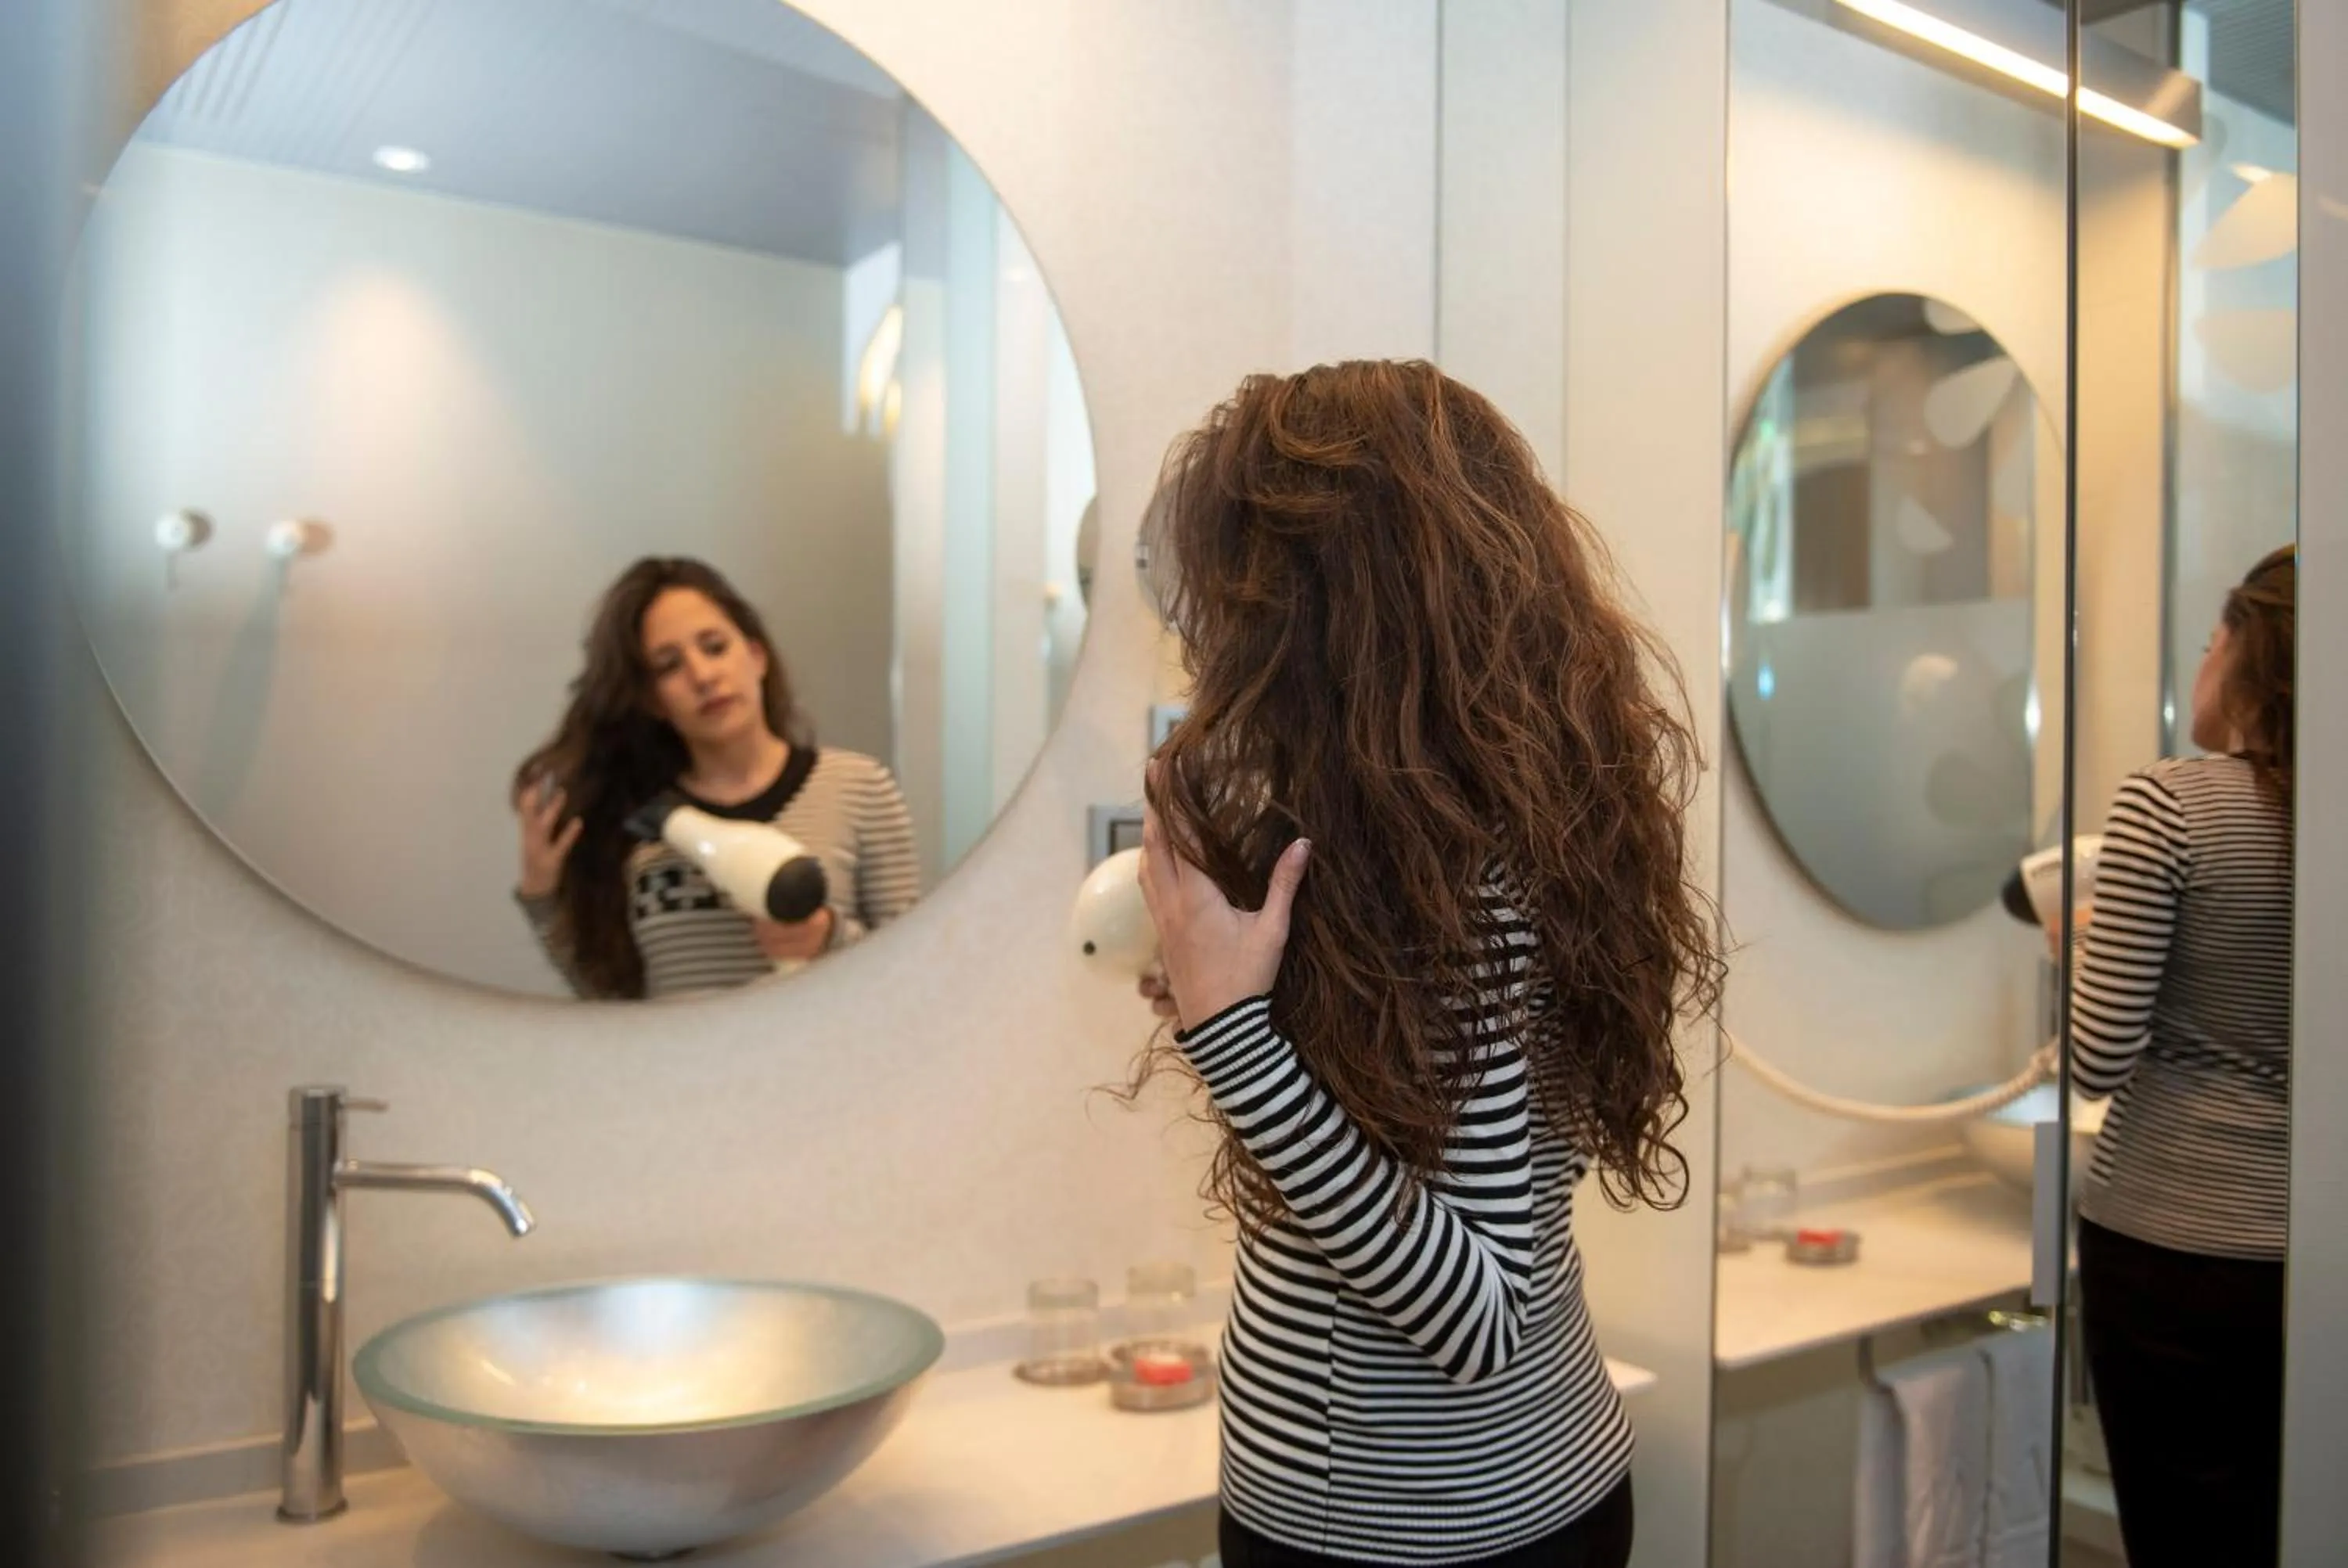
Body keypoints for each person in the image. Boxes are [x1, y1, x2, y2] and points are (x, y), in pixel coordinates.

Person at [1129, 361, 1723, 1568]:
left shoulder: (1455, 879)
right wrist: (1249, 1008)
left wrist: (1236, 1042)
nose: (1214, 634)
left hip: (1423, 1533)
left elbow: (1479, 1315)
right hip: (1481, 1497)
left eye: (1243, 589)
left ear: (1325, 603)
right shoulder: (1464, 823)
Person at [2062, 544, 2295, 1568]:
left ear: (2249, 655)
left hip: (2172, 1244)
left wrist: (2092, 941)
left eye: (2209, 641)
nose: (2200, 661)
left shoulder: (2172, 804)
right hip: (2309, 1251)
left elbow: (2096, 1061)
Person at [513, 556, 918, 1000]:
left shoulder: (859, 787)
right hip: (682, 1069)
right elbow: (610, 1002)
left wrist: (828, 938)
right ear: (653, 702)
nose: (703, 676)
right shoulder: (638, 821)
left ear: (756, 656)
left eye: (714, 647)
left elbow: (913, 975)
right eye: (669, 666)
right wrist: (543, 896)